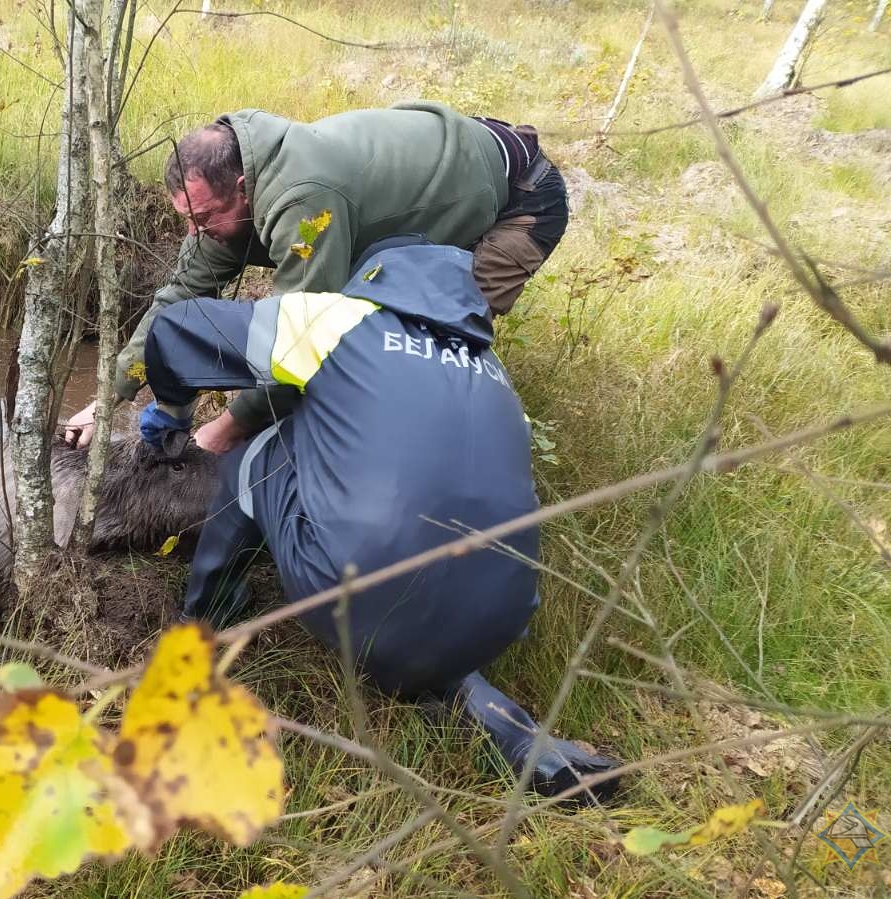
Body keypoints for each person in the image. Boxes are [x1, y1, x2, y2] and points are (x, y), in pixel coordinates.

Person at [135, 234, 620, 801]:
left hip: (364, 599)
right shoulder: (492, 372)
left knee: (262, 451)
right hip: (495, 621)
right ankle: (528, 746)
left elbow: (179, 327)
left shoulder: (343, 318)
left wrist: (171, 407)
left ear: (375, 276)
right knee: (424, 624)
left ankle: (206, 615)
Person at [63, 101, 569, 453]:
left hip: (520, 200)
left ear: (243, 187)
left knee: (431, 338)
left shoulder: (305, 205)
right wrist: (108, 399)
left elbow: (306, 341)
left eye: (206, 218)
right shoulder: (229, 199)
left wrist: (225, 428)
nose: (197, 232)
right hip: (448, 158)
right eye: (188, 221)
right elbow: (177, 298)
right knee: (360, 311)